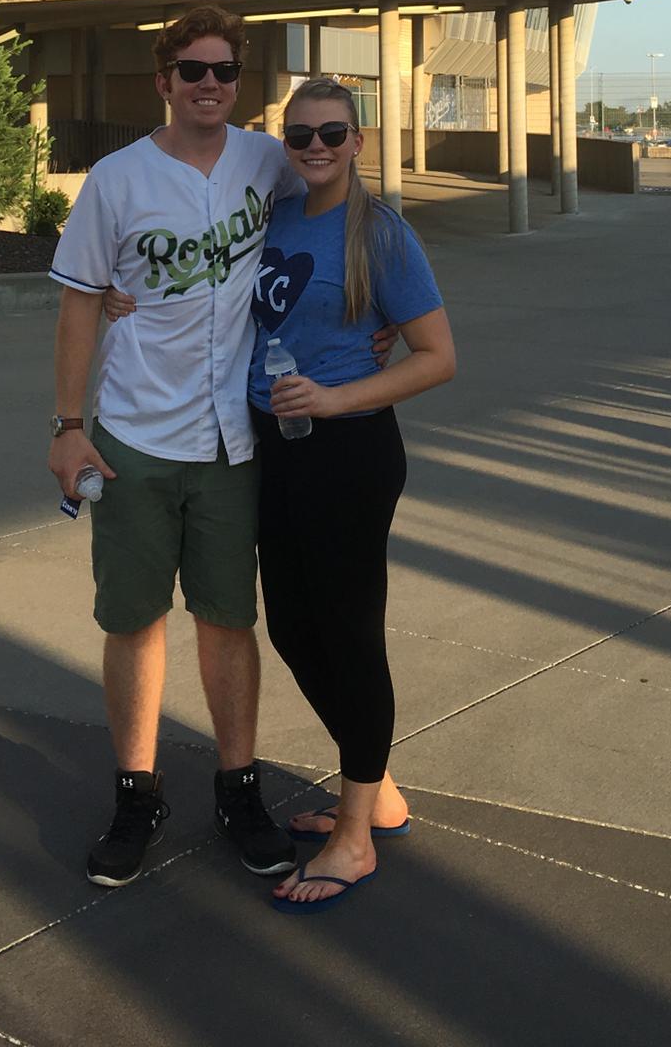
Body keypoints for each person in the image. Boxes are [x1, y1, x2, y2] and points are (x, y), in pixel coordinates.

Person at [47, 4, 301, 888]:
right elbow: (81, 299)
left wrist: (369, 324)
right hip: (134, 435)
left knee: (230, 621)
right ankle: (136, 792)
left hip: (233, 437)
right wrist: (68, 427)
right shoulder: (116, 180)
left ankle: (239, 789)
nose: (208, 85)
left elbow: (334, 218)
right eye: (191, 70)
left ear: (241, 81)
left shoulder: (268, 162)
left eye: (224, 71)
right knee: (133, 620)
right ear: (162, 81)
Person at [251, 77, 455, 914]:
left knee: (349, 630)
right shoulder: (275, 216)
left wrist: (336, 398)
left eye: (332, 133)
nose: (316, 147)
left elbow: (437, 355)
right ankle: (378, 792)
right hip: (273, 447)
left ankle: (357, 837)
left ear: (358, 140)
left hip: (349, 449)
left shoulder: (382, 234)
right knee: (296, 629)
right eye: (300, 135)